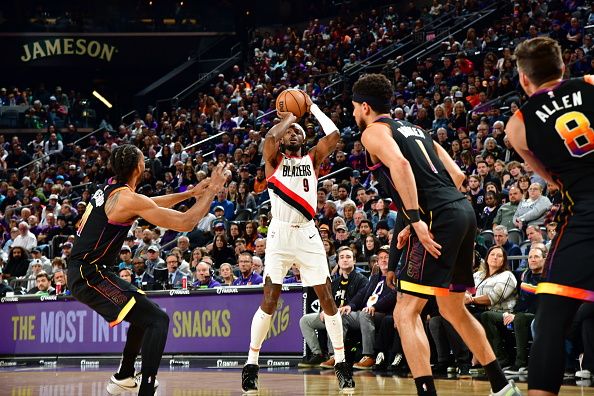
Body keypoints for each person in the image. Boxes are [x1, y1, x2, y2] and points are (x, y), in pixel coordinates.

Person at [353, 73, 520, 396]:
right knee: (452, 308)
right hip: (462, 212)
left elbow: (400, 166)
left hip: (436, 217)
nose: (354, 116)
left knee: (405, 311)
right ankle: (502, 386)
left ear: (364, 106)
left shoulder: (374, 132)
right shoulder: (418, 130)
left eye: (355, 109)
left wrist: (416, 219)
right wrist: (412, 217)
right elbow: (457, 175)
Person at [67, 144, 227, 396]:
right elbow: (186, 223)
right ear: (140, 167)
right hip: (90, 274)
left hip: (88, 271)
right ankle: (147, 387)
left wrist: (191, 193)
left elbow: (149, 203)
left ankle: (124, 375)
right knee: (158, 320)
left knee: (142, 311)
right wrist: (212, 192)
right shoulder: (126, 198)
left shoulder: (110, 189)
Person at [242, 91, 355, 393]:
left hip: (307, 231)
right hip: (279, 233)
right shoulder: (273, 159)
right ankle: (251, 364)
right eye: (288, 131)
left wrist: (312, 107)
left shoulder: (313, 158)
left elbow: (333, 134)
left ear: (304, 139)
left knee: (327, 297)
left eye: (297, 131)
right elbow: (268, 138)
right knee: (270, 299)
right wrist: (290, 116)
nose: (292, 133)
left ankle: (342, 363)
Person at [505, 36, 594, 396]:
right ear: (563, 67)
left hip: (585, 218)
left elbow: (550, 179)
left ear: (524, 79)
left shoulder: (518, 124)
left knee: (552, 320)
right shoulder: (589, 83)